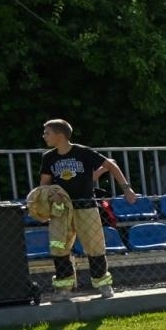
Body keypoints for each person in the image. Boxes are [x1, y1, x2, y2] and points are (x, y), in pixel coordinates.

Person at [36, 118, 138, 300]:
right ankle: (64, 288)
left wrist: (127, 189)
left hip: (86, 207)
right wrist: (44, 205)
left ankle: (103, 285)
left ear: (59, 135)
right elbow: (44, 185)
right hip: (61, 210)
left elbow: (111, 164)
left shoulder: (83, 152)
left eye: (47, 133)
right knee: (59, 247)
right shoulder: (48, 157)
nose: (44, 136)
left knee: (95, 247)